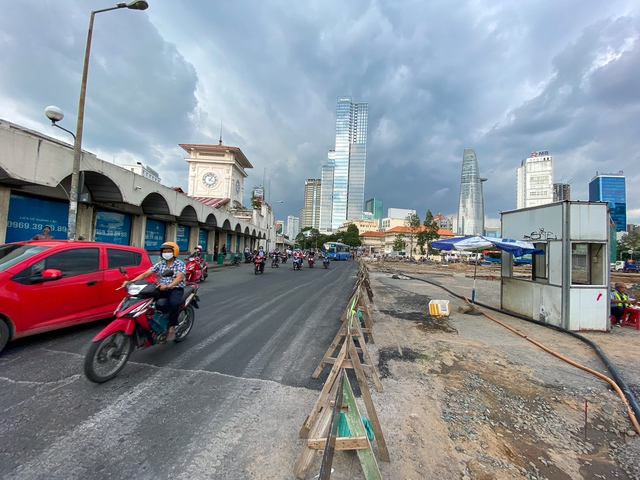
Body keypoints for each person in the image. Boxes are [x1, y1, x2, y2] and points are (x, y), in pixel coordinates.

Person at [123, 241, 186, 342]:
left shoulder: (180, 264)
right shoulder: (160, 264)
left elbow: (179, 278)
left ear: (174, 252)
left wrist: (168, 285)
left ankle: (171, 328)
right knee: (143, 296)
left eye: (169, 251)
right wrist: (130, 282)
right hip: (161, 288)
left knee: (174, 304)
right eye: (164, 251)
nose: (166, 253)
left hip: (175, 289)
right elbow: (145, 274)